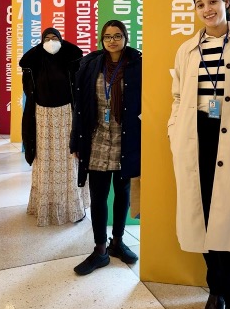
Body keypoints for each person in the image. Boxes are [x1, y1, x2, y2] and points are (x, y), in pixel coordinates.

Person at [168, 0, 230, 309]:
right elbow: (177, 95)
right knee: (206, 215)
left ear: (226, 1)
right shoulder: (187, 50)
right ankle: (216, 291)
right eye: (200, 4)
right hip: (198, 139)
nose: (207, 9)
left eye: (213, 1)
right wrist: (173, 129)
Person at [70, 19, 141, 275]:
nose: (113, 40)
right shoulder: (90, 64)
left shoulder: (137, 64)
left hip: (126, 139)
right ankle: (100, 249)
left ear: (126, 37)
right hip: (97, 137)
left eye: (118, 35)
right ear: (102, 39)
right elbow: (79, 106)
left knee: (122, 193)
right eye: (108, 36)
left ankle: (118, 242)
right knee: (98, 196)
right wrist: (75, 140)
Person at [19, 27, 90, 226]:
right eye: (47, 38)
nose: (51, 42)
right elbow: (29, 89)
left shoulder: (71, 61)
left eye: (55, 38)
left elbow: (79, 85)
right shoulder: (34, 64)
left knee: (68, 159)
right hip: (42, 117)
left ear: (61, 40)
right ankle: (46, 206)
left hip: (67, 115)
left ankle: (72, 206)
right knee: (45, 160)